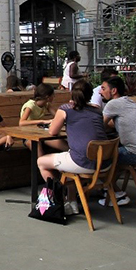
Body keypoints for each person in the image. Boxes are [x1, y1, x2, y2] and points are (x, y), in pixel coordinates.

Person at [36, 81, 107, 216]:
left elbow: (52, 132)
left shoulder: (66, 109)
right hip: (104, 163)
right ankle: (72, 201)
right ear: (90, 95)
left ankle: (60, 197)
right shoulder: (97, 111)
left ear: (72, 94)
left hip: (82, 162)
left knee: (41, 162)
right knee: (70, 163)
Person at [100, 76, 136, 206]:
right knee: (113, 156)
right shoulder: (129, 102)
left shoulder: (113, 104)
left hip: (135, 154)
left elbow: (100, 126)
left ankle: (116, 193)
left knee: (100, 158)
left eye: (103, 88)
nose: (100, 92)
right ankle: (108, 189)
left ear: (114, 91)